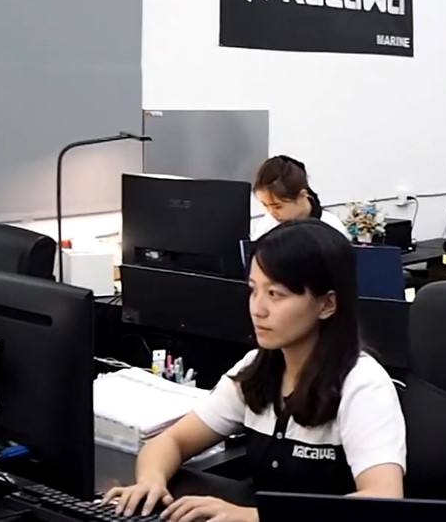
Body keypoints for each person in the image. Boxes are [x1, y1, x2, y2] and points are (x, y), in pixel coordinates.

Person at [104, 220, 406, 522]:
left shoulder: (363, 385)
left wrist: (253, 517)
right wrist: (151, 482)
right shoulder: (257, 368)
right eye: (253, 290)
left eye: (275, 294)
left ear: (327, 304)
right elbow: (171, 441)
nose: (258, 309)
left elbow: (381, 500)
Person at [251, 155, 350, 240]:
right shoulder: (267, 226)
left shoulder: (331, 227)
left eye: (277, 206)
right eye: (266, 205)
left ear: (302, 196)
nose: (271, 213)